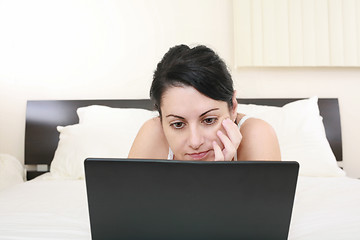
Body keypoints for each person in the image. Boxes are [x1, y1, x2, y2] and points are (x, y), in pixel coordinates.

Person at [129, 44, 281, 161]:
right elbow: (124, 200)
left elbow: (270, 202)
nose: (195, 142)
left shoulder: (257, 136)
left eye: (209, 120)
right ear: (161, 118)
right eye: (178, 124)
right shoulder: (153, 134)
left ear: (233, 107)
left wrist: (224, 175)